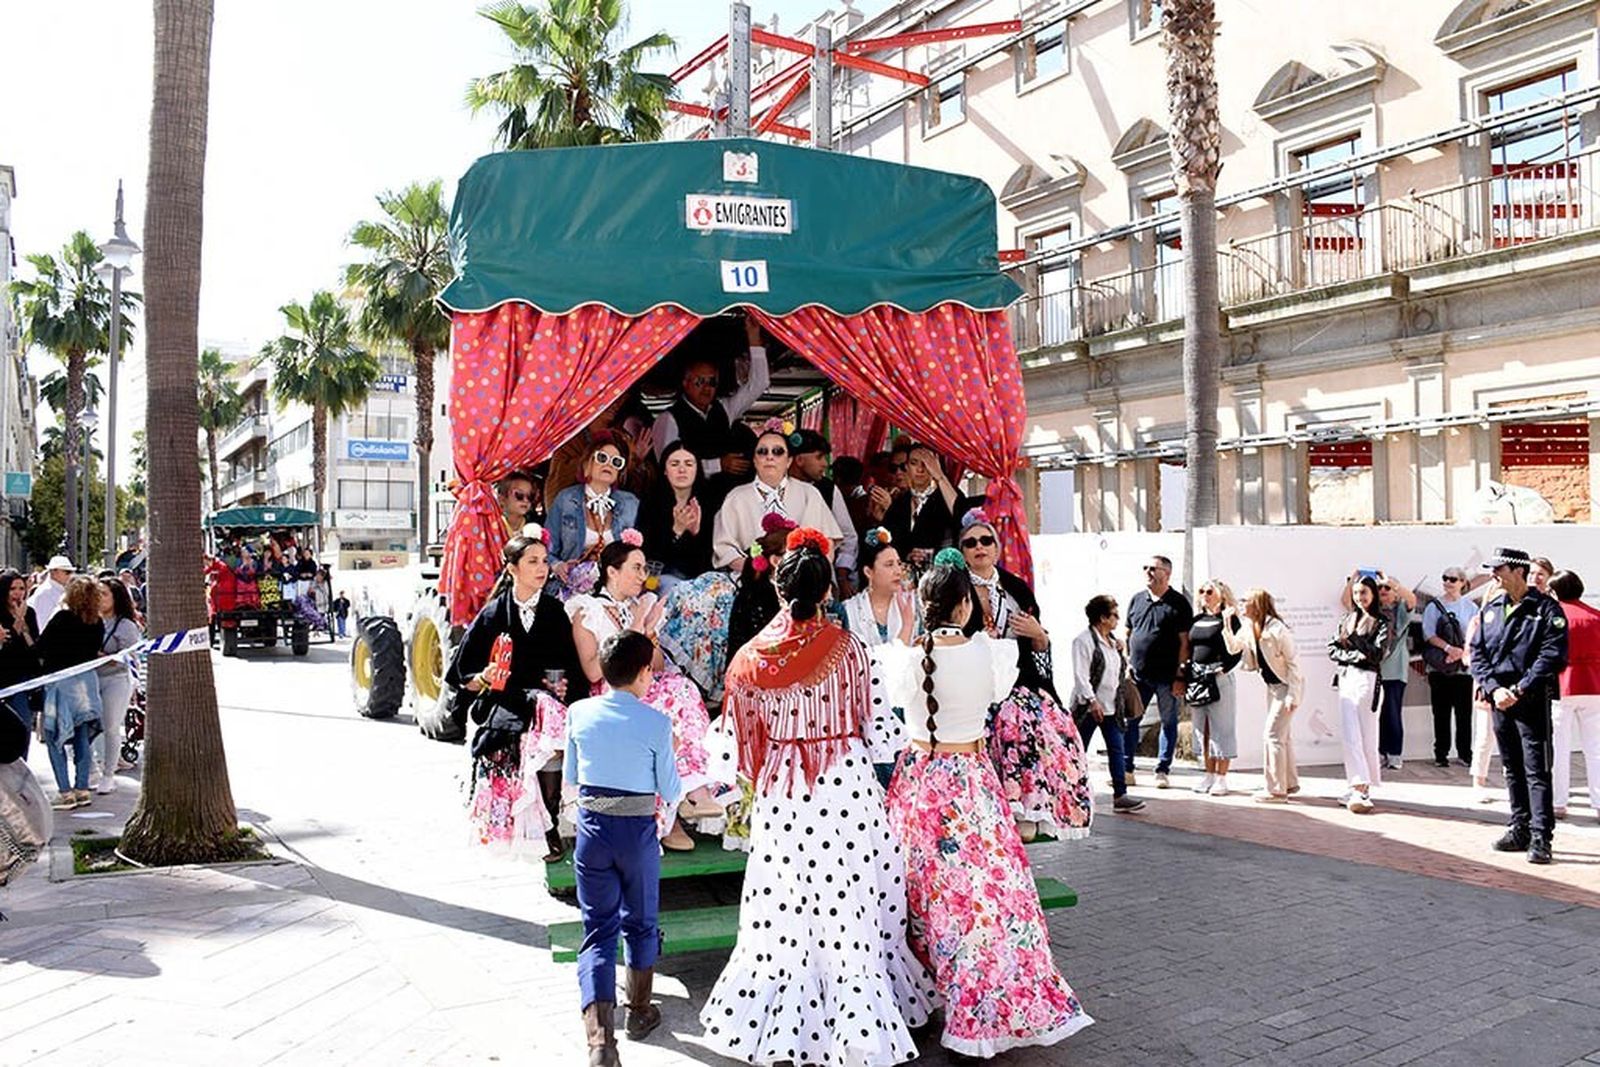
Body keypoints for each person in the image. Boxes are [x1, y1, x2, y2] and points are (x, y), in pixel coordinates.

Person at [700, 529, 935, 1066]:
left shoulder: (750, 658)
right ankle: (859, 1015)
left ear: (779, 591)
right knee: (851, 898)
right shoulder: (850, 649)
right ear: (828, 591)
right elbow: (882, 734)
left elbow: (735, 749)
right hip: (844, 782)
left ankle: (786, 1021)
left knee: (787, 902)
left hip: (784, 791)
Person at [879, 552, 1093, 1056]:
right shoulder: (990, 653)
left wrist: (906, 628)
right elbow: (999, 687)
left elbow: (896, 677)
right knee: (984, 898)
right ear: (962, 606)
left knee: (918, 894)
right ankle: (984, 1003)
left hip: (918, 786)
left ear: (924, 605)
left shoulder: (904, 659)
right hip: (971, 784)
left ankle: (922, 993)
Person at [565, 631, 683, 1066]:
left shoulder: (579, 712)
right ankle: (639, 1011)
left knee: (598, 930)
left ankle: (600, 1043)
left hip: (592, 830)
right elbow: (671, 789)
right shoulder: (657, 723)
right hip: (636, 833)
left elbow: (572, 775)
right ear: (643, 672)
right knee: (641, 921)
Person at [566, 535, 721, 851]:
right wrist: (635, 626)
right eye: (636, 568)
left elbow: (658, 665)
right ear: (612, 571)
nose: (642, 575)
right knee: (660, 708)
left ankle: (694, 788)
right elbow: (594, 671)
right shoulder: (587, 611)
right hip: (612, 689)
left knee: (682, 689)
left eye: (643, 568)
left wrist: (649, 635)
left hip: (644, 683)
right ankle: (670, 817)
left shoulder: (641, 605)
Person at [446, 526, 583, 863]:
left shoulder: (554, 611)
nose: (542, 568)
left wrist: (564, 685)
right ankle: (523, 824)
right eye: (532, 561)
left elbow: (570, 666)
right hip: (504, 700)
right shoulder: (493, 613)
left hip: (547, 701)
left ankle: (549, 824)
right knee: (536, 719)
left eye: (545, 561)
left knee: (550, 719)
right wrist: (485, 676)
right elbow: (463, 673)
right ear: (512, 568)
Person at [961, 509, 1092, 840]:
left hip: (1019, 681)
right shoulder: (956, 589)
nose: (979, 547)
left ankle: (1030, 806)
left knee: (1044, 726)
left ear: (996, 547)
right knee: (1002, 724)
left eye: (986, 540)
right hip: (973, 683)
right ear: (962, 551)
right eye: (971, 543)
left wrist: (1038, 633)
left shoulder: (1015, 587)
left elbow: (1040, 647)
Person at [1471, 547, 1568, 864]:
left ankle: (1541, 836)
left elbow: (1551, 655)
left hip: (1530, 699)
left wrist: (1519, 688)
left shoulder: (1546, 609)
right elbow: (1478, 653)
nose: (1494, 575)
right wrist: (1494, 688)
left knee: (1536, 770)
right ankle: (1519, 828)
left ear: (1518, 571)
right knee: (1511, 767)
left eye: (1499, 569)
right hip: (1500, 699)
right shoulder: (1492, 608)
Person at [836, 527, 917, 785]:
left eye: (899, 564)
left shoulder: (912, 606)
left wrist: (909, 623)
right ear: (868, 572)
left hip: (905, 704)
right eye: (889, 565)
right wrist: (906, 627)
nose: (897, 571)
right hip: (866, 705)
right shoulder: (849, 610)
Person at [711, 423, 845, 573]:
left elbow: (827, 542)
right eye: (762, 452)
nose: (770, 457)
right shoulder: (736, 497)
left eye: (778, 452)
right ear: (754, 460)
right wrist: (756, 570)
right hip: (749, 578)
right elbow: (725, 548)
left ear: (789, 461)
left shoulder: (809, 493)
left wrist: (810, 575)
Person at [651, 313, 770, 477]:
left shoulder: (724, 409)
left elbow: (759, 384)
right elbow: (668, 465)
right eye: (700, 382)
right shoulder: (669, 419)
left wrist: (754, 338)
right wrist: (717, 465)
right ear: (685, 383)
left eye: (712, 382)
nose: (706, 388)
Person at [1070, 595, 1145, 813]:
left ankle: (1120, 794)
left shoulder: (1113, 642)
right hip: (1089, 708)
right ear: (1102, 618)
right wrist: (1092, 701)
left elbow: (1117, 673)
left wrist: (1121, 650)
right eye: (1114, 615)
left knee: (1116, 748)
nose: (1118, 619)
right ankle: (1072, 793)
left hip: (1112, 706)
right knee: (1078, 751)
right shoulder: (1083, 641)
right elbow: (1081, 676)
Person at [37, 578, 106, 811]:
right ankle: (82, 789)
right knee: (82, 737)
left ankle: (65, 792)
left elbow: (41, 648)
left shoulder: (62, 619)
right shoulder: (97, 622)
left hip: (61, 684)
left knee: (54, 736)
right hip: (87, 683)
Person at [1125, 555, 1193, 789]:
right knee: (1131, 720)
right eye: (1145, 567)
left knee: (1168, 721)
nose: (1148, 572)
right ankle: (1127, 769)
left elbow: (1185, 642)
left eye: (1153, 568)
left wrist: (1181, 675)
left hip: (1167, 677)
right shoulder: (1137, 600)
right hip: (1139, 676)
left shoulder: (1179, 603)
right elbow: (1128, 633)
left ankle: (1162, 770)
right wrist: (1128, 663)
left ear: (1167, 573)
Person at [1342, 572, 1417, 771]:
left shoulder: (1400, 611)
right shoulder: (1370, 611)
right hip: (1371, 671)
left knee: (1392, 713)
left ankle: (1394, 753)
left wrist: (1390, 582)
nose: (1383, 590)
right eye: (1380, 588)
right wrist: (1354, 579)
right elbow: (1346, 601)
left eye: (1387, 588)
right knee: (1374, 715)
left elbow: (1412, 600)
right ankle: (1379, 753)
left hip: (1394, 672)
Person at [1329, 575, 1388, 814]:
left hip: (1367, 680)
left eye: (1363, 592)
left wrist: (1354, 640)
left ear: (1373, 594)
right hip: (1346, 678)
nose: (1359, 597)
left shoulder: (1381, 622)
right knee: (1350, 734)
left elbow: (1376, 654)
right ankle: (1357, 785)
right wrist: (1354, 655)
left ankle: (1362, 788)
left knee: (1366, 735)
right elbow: (1333, 649)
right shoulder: (1346, 619)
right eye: (1355, 593)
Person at [1186, 579, 1250, 797]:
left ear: (1221, 595)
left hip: (1219, 679)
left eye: (1209, 591)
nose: (1204, 595)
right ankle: (1209, 774)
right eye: (1201, 591)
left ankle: (1222, 777)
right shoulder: (1197, 619)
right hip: (1198, 678)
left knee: (1222, 728)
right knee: (1202, 728)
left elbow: (1238, 649)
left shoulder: (1229, 619)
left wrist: (1224, 668)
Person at [548, 434, 641, 583]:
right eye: (602, 458)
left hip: (615, 586)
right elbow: (547, 549)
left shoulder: (630, 503)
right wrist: (558, 566)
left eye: (616, 462)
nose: (609, 465)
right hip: (570, 584)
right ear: (586, 464)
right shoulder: (565, 499)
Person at [1240, 588, 1304, 803]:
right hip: (1273, 688)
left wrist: (1293, 695)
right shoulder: (1250, 626)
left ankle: (1276, 791)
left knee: (1272, 735)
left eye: (1245, 600)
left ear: (1256, 604)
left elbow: (1294, 664)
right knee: (1283, 736)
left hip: (1286, 687)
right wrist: (1227, 625)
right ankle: (1289, 783)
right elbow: (1233, 648)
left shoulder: (1277, 629)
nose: (1241, 603)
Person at [1548, 570, 1598, 822]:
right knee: (1595, 748)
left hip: (1562, 685)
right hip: (1594, 684)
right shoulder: (1596, 616)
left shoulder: (1555, 617)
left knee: (1559, 747)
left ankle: (1558, 802)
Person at [788, 429, 860, 594]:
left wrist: (842, 575)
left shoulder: (827, 489)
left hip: (822, 580)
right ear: (799, 460)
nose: (825, 464)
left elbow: (848, 536)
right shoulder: (777, 489)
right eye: (819, 457)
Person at [637, 440, 713, 589]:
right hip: (660, 580)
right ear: (665, 470)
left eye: (689, 464)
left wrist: (695, 533)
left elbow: (707, 562)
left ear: (697, 469)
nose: (682, 470)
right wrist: (676, 531)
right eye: (674, 464)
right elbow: (651, 560)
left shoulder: (709, 503)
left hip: (698, 581)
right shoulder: (651, 503)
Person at [881, 440, 969, 567]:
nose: (920, 469)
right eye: (914, 463)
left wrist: (939, 476)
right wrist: (907, 555)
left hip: (944, 570)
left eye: (926, 464)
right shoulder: (900, 502)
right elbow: (889, 539)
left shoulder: (947, 495)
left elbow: (962, 516)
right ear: (906, 467)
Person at [1422, 565, 1477, 769]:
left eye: (1453, 579)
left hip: (1463, 668)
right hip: (1440, 667)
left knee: (1464, 714)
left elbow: (1476, 634)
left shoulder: (1470, 607)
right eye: (1445, 578)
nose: (1447, 582)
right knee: (1441, 713)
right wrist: (1448, 649)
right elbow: (1428, 634)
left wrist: (1461, 653)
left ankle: (1465, 753)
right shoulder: (1433, 606)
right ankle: (1441, 754)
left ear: (1462, 582)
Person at [94, 580, 142, 794]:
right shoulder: (91, 620)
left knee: (111, 726)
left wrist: (104, 657)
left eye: (104, 594)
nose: (99, 598)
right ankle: (95, 766)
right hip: (92, 679)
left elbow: (129, 658)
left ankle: (108, 774)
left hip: (116, 679)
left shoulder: (126, 625)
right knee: (93, 725)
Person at [0, 571, 41, 762]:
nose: (18, 593)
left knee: (22, 724)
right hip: (4, 676)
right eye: (13, 589)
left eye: (21, 588)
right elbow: (8, 647)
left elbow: (34, 646)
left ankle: (22, 764)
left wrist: (24, 626)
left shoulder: (29, 612)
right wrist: (16, 621)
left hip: (22, 678)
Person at [28, 555, 73, 622]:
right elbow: (43, 622)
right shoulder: (45, 593)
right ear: (53, 572)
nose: (70, 575)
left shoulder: (58, 591)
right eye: (67, 572)